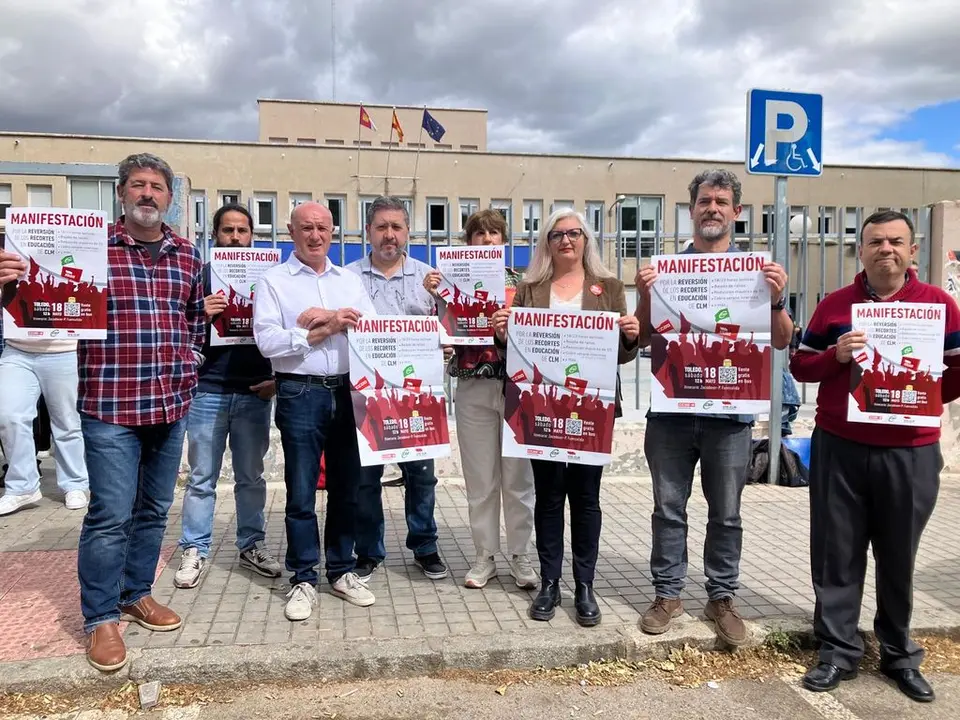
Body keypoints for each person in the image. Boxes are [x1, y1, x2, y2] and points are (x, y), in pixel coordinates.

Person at [791, 210, 960, 703]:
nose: (886, 249)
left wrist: (918, 394)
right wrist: (835, 356)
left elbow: (953, 375)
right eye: (875, 242)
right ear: (860, 250)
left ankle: (898, 654)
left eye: (896, 241)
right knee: (836, 551)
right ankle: (838, 651)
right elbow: (801, 365)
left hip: (910, 451)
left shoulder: (940, 307)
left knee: (898, 554)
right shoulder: (835, 307)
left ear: (912, 249)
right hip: (840, 448)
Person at [634, 169, 793, 646]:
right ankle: (668, 594)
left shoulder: (755, 276)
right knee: (668, 509)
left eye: (722, 201)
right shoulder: (666, 273)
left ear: (736, 212)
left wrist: (777, 299)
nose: (713, 208)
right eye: (705, 201)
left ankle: (721, 597)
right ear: (692, 209)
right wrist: (646, 296)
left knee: (726, 512)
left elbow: (782, 339)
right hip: (672, 413)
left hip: (730, 417)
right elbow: (642, 337)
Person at [73, 153, 204, 672]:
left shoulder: (187, 255)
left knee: (153, 511)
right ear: (122, 194)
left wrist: (189, 364)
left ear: (171, 198)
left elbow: (195, 317)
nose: (148, 194)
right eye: (138, 185)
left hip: (170, 405)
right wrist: (13, 284)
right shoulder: (91, 249)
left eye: (157, 187)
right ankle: (100, 617)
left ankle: (135, 593)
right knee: (109, 516)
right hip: (110, 405)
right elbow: (43, 308)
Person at [492, 208, 640, 626]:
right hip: (542, 410)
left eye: (574, 233)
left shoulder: (608, 287)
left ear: (586, 240)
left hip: (590, 410)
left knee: (587, 499)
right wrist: (502, 333)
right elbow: (514, 351)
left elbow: (622, 354)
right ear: (547, 243)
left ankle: (586, 585)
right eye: (557, 235)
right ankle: (550, 583)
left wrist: (630, 339)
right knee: (550, 496)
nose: (566, 241)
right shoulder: (530, 288)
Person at [253, 201, 377, 621]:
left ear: (333, 231)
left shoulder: (350, 280)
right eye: (306, 227)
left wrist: (321, 318)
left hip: (348, 391)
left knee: (347, 487)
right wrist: (330, 326)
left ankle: (340, 569)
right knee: (301, 490)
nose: (315, 235)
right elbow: (269, 343)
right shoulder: (273, 281)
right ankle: (303, 576)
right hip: (299, 392)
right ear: (291, 231)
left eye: (323, 227)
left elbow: (371, 326)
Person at [423, 209, 538, 590]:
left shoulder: (523, 283)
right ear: (468, 241)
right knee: (480, 478)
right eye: (480, 233)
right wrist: (431, 295)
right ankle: (484, 555)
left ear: (504, 242)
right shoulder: (447, 283)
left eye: (495, 233)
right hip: (472, 386)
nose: (488, 239)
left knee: (518, 479)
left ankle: (521, 554)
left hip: (516, 389)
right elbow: (432, 329)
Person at [174, 203, 282, 589]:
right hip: (208, 390)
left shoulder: (272, 278)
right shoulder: (200, 277)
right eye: (227, 231)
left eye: (242, 230)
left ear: (253, 235)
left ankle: (251, 545)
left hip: (255, 390)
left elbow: (285, 335)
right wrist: (198, 315)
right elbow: (174, 330)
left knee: (251, 477)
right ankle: (194, 548)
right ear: (215, 235)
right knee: (202, 477)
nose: (235, 237)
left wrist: (276, 380)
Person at [346, 196, 448, 583]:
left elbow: (449, 328)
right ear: (368, 232)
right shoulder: (347, 278)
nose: (390, 235)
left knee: (421, 476)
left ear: (408, 232)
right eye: (382, 227)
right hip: (367, 399)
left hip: (416, 400)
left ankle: (424, 546)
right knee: (366, 480)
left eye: (397, 227)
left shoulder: (430, 280)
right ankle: (368, 552)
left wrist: (446, 336)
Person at [0, 228, 89, 515]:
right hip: (17, 350)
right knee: (9, 415)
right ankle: (22, 486)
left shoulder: (76, 268)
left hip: (63, 350)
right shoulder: (10, 262)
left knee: (67, 422)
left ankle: (75, 483)